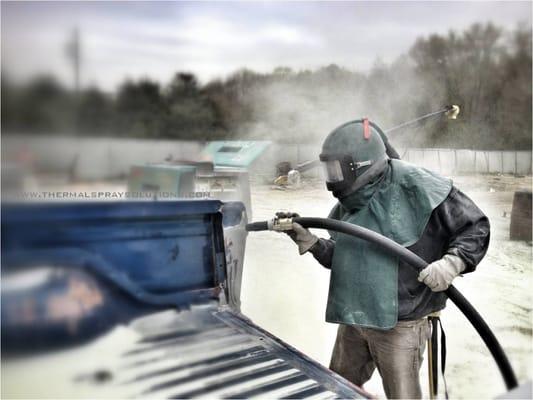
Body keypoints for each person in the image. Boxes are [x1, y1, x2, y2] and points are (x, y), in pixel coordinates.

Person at [279, 118, 490, 399]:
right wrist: (312, 243)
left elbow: (476, 226)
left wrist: (453, 263)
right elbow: (340, 259)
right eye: (328, 169)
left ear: (359, 166)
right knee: (337, 390)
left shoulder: (420, 186)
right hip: (355, 317)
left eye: (336, 169)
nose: (332, 178)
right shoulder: (350, 201)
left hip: (400, 324)